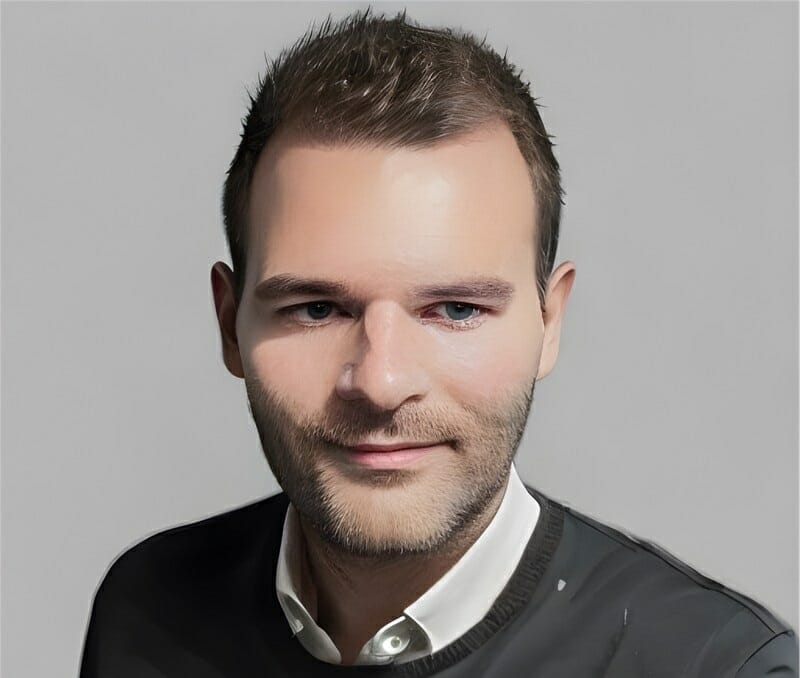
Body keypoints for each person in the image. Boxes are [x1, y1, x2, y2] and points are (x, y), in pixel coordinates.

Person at [79, 8, 797, 677]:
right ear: (229, 323)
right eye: (317, 308)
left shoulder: (713, 666)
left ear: (550, 323)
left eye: (455, 309)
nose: (382, 381)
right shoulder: (145, 611)